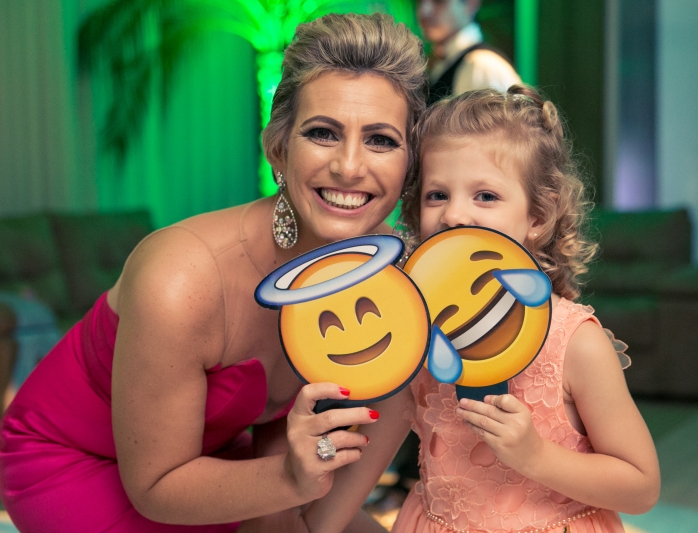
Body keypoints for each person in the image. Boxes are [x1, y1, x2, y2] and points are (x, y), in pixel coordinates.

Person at [0, 13, 427, 533]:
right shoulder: (181, 278)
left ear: (409, 164)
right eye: (322, 133)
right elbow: (156, 486)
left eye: (381, 140)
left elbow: (326, 474)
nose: (350, 167)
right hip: (82, 464)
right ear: (278, 148)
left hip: (220, 458)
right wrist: (289, 481)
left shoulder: (396, 278)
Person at [391, 86, 660, 532]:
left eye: (485, 196)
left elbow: (642, 487)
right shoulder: (418, 331)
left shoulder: (576, 344)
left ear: (537, 216)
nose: (454, 215)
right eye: (437, 195)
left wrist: (536, 456)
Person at [416, 0, 521, 105]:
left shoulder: (482, 65)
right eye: (419, 1)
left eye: (439, 1)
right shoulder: (443, 62)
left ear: (470, 4)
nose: (423, 11)